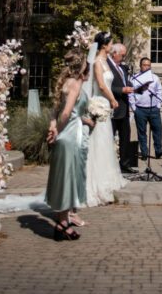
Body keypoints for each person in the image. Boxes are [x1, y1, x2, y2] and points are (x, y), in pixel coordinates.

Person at [45, 50, 93, 240]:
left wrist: (52, 127)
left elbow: (54, 111)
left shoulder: (64, 84)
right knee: (68, 180)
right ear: (81, 67)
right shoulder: (74, 86)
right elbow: (65, 113)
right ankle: (62, 222)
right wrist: (57, 130)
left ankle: (62, 222)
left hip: (64, 136)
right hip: (71, 136)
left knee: (63, 178)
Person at [85, 31, 128, 204]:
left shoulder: (106, 62)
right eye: (110, 43)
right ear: (104, 45)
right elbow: (101, 85)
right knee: (99, 142)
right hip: (100, 104)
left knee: (106, 142)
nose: (112, 46)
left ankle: (108, 179)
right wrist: (112, 99)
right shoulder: (96, 62)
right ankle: (97, 182)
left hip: (106, 106)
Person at [131, 57, 162, 160]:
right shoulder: (134, 78)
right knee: (142, 132)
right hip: (140, 108)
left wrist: (158, 106)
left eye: (148, 65)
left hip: (153, 108)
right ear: (140, 66)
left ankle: (158, 150)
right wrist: (134, 107)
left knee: (158, 130)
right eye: (144, 65)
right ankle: (144, 152)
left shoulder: (155, 78)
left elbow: (159, 91)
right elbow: (130, 94)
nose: (146, 67)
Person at [107, 42, 137, 174]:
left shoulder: (122, 68)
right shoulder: (107, 67)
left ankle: (125, 164)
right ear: (114, 54)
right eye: (122, 55)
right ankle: (109, 164)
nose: (124, 58)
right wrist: (121, 90)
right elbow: (106, 87)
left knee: (126, 137)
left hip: (124, 108)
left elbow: (127, 82)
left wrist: (135, 88)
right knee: (110, 137)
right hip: (113, 107)